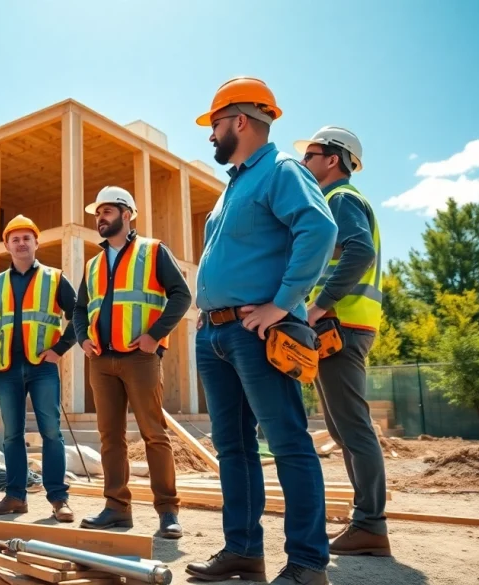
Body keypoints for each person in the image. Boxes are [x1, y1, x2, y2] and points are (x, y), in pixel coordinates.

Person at [186, 77, 337, 585]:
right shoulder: (234, 185)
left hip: (257, 333)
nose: (211, 135)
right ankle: (243, 553)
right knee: (232, 448)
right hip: (216, 334)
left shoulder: (282, 170)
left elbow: (320, 229)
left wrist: (282, 303)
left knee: (288, 442)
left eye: (215, 125)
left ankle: (308, 564)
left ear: (240, 121)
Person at [72, 186, 192, 540]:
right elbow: (80, 309)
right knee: (110, 437)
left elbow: (182, 295)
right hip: (101, 360)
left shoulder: (153, 251)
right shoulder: (93, 264)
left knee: (154, 434)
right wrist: (82, 338)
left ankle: (168, 511)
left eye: (107, 211)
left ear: (127, 215)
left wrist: (155, 335)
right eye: (97, 213)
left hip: (140, 358)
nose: (100, 218)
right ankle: (116, 509)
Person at [295, 127, 390, 557]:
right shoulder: (336, 200)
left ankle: (370, 524)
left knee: (352, 427)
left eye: (310, 155)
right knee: (342, 427)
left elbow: (360, 251)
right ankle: (366, 521)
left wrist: (319, 306)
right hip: (344, 326)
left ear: (333, 159)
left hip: (342, 326)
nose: (304, 163)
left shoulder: (340, 198)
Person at [0, 214, 78, 521]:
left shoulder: (55, 278)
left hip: (42, 367)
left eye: (26, 238)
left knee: (51, 432)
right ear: (7, 245)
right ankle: (16, 496)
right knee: (12, 435)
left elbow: (79, 315)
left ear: (36, 243)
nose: (21, 243)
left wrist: (60, 349)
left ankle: (59, 499)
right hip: (7, 368)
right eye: (15, 239)